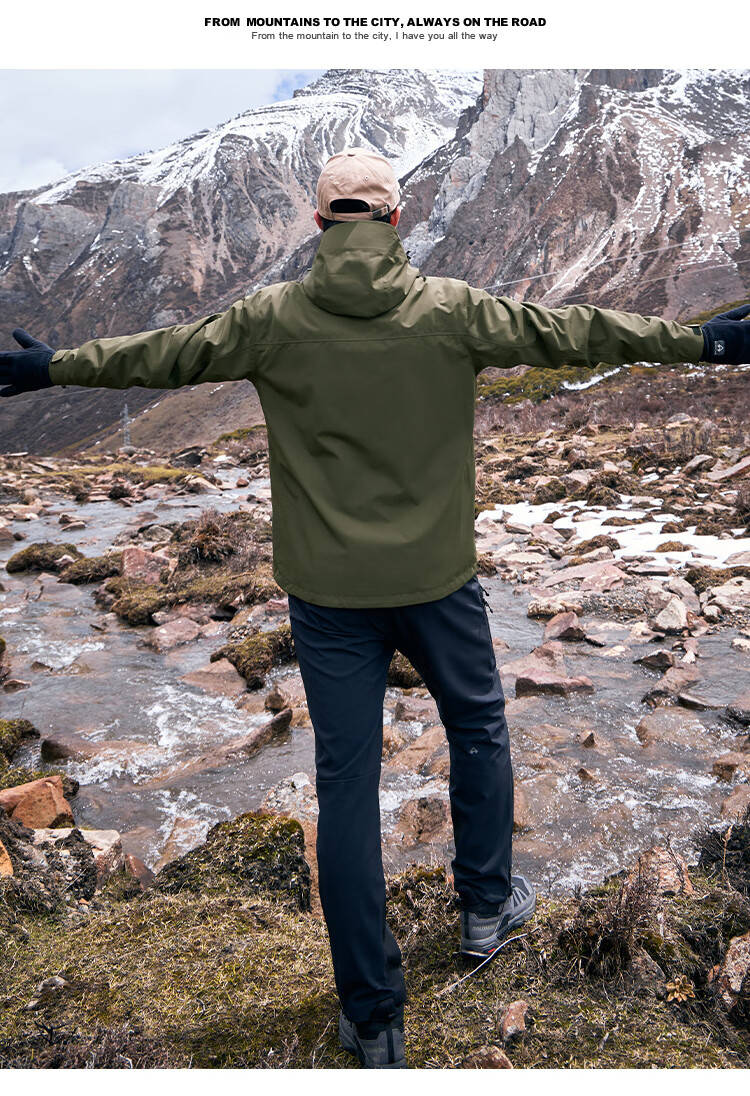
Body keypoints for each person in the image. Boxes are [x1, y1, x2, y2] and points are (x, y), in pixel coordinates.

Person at [2, 147, 749, 1069]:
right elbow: (580, 333)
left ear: (320, 224)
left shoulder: (271, 319)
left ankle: (373, 1015)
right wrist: (707, 343)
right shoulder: (453, 310)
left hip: (328, 599)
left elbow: (160, 356)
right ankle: (484, 912)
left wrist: (50, 370)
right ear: (396, 220)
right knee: (477, 728)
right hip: (440, 585)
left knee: (346, 790)